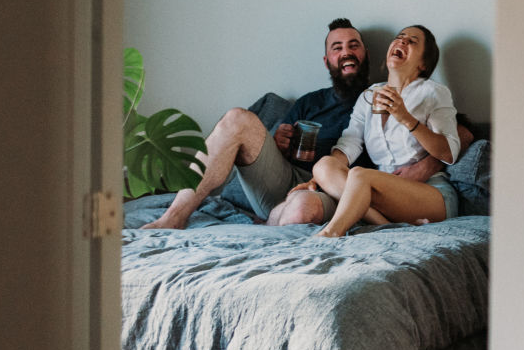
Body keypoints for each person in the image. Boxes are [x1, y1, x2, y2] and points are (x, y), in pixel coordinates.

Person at [141, 18, 373, 229]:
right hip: (286, 180)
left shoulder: (379, 101)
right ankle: (174, 217)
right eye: (337, 48)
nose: (346, 52)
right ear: (327, 61)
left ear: (365, 54)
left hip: (334, 192)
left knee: (301, 207)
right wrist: (279, 142)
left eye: (354, 45)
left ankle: (273, 220)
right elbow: (275, 151)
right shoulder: (310, 102)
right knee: (236, 118)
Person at [309, 25, 461, 237]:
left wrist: (406, 118)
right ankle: (384, 225)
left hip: (431, 195)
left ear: (423, 63)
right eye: (400, 37)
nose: (402, 41)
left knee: (360, 176)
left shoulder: (433, 93)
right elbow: (349, 142)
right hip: (380, 193)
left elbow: (449, 153)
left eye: (412, 41)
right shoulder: (368, 96)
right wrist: (320, 178)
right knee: (324, 165)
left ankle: (330, 233)